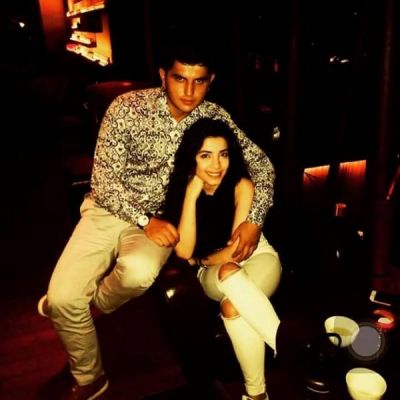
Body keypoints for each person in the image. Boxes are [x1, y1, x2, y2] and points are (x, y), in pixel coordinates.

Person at [37, 39, 276, 400]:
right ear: (163, 76)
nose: (189, 91)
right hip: (108, 211)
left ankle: (92, 306)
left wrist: (254, 220)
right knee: (60, 297)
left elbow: (262, 166)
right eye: (180, 79)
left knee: (137, 272)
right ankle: (89, 374)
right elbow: (103, 182)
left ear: (210, 81)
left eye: (199, 81)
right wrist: (144, 220)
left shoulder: (213, 117)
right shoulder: (127, 108)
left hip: (165, 221)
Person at [162, 118, 281, 400]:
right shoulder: (180, 190)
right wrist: (191, 195)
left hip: (257, 257)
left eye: (223, 154)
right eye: (205, 155)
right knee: (227, 271)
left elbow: (235, 252)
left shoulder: (242, 186)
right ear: (192, 157)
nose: (216, 165)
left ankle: (256, 395)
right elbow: (184, 251)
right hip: (215, 274)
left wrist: (202, 261)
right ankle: (281, 338)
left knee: (230, 306)